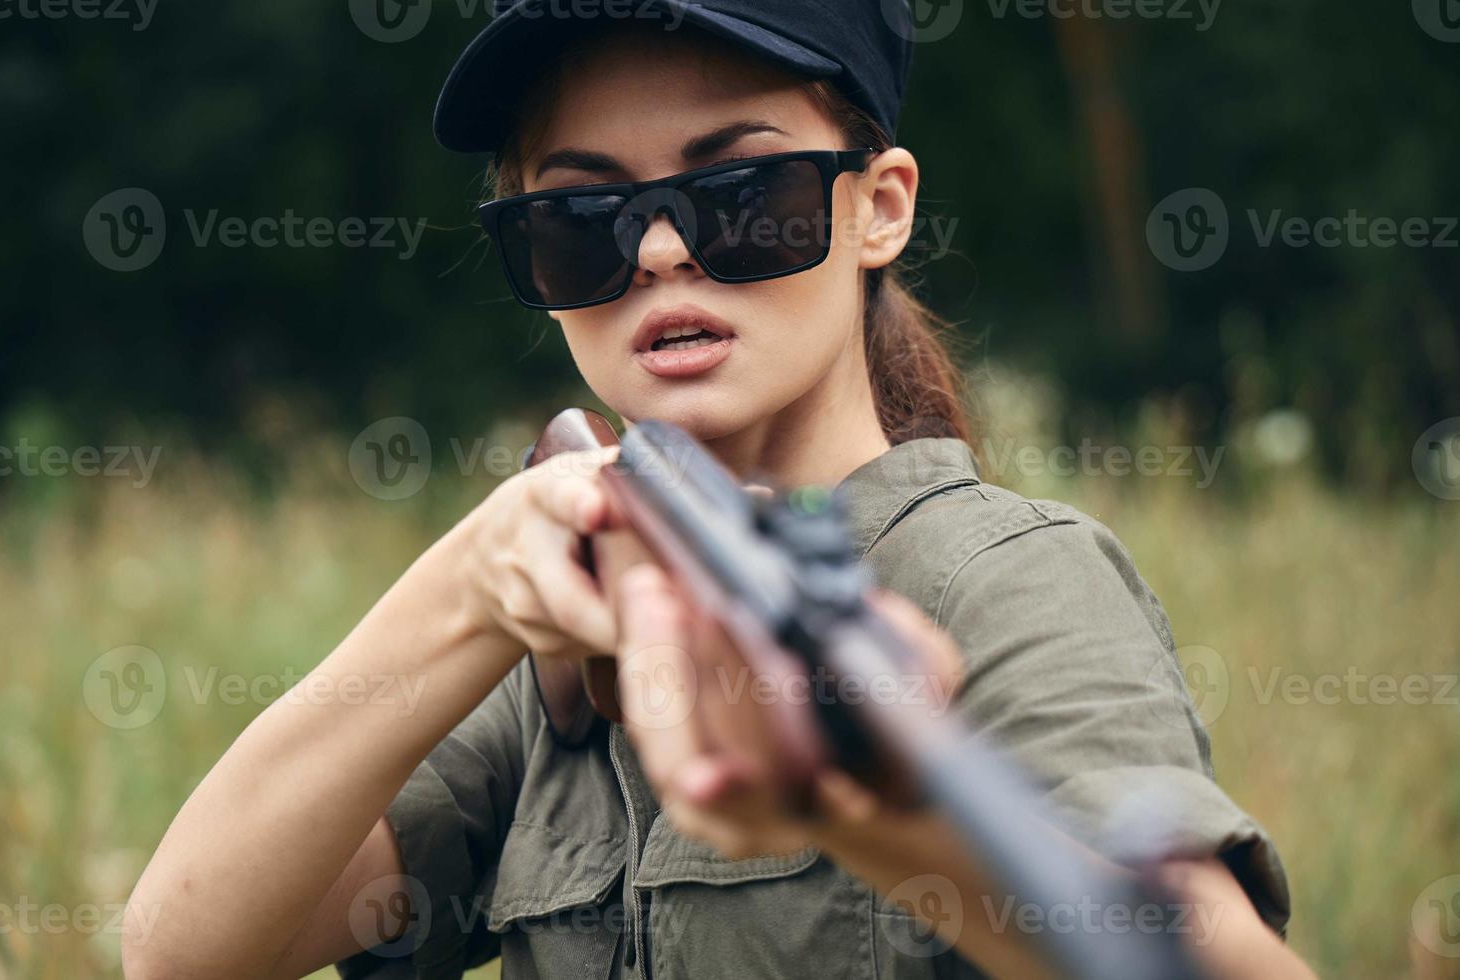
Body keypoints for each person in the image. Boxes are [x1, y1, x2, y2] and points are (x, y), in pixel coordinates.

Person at [123, 3, 1315, 977]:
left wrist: (872, 810)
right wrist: (470, 587)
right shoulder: (560, 635)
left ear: (880, 206)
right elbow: (186, 947)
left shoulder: (1007, 576)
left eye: (745, 192)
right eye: (579, 215)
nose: (653, 253)